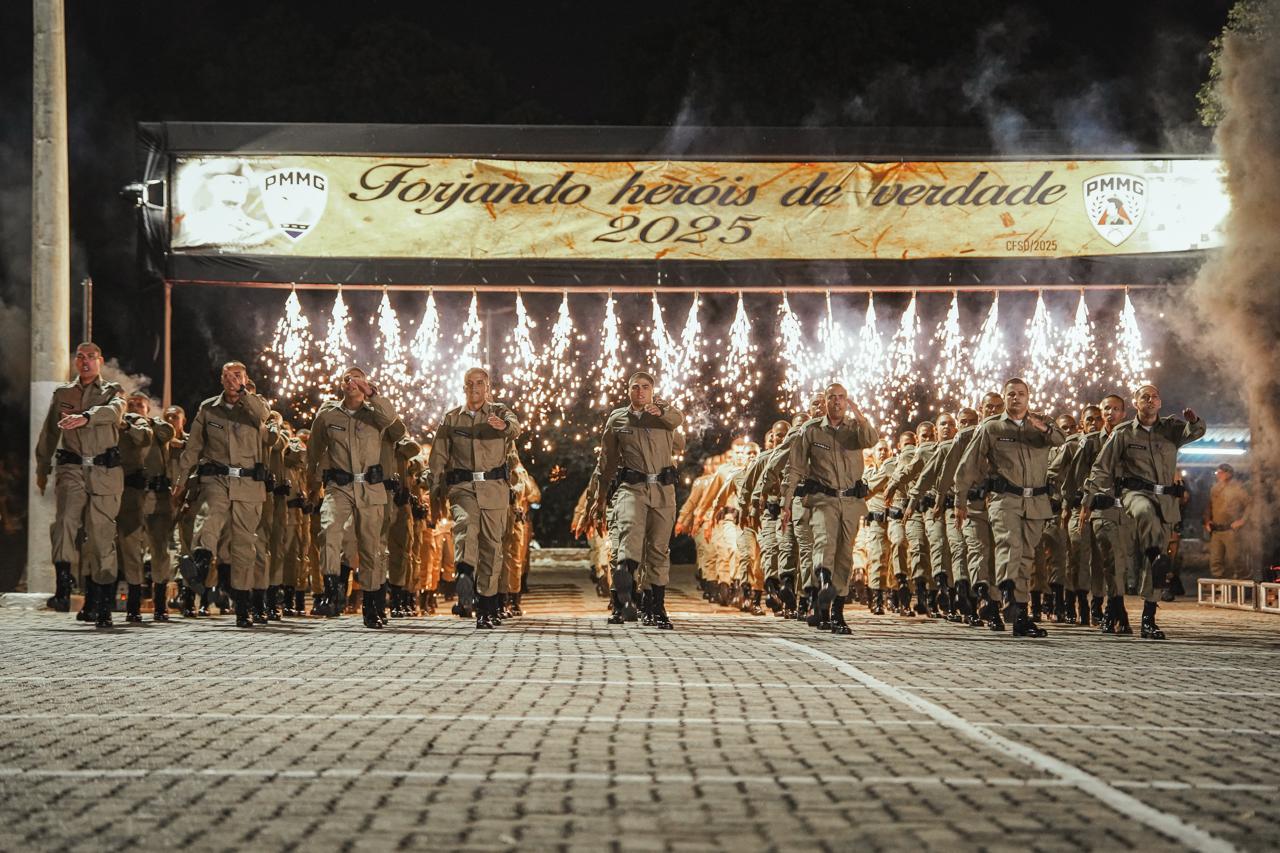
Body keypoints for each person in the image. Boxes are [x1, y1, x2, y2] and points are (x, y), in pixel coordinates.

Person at [1082, 384, 1205, 639]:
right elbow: (1102, 467)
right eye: (1144, 397)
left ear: (1159, 403)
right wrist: (1087, 498)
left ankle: (1149, 618)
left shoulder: (1171, 429)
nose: (1150, 400)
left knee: (1155, 568)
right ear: (1135, 404)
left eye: (1154, 397)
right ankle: (1153, 554)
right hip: (1135, 495)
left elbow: (1196, 432)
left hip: (1166, 501)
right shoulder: (1123, 433)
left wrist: (1194, 421)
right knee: (1144, 512)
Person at [955, 378, 1065, 639]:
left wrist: (1044, 427)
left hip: (1036, 501)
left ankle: (1020, 616)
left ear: (1029, 397)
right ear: (1005, 398)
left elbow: (1062, 441)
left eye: (1021, 394)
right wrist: (960, 500)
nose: (1016, 398)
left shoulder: (1041, 424)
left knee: (1026, 557)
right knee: (1009, 544)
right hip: (1005, 499)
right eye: (1011, 394)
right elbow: (968, 465)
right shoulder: (991, 428)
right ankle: (1006, 588)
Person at [34, 342, 126, 626]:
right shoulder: (63, 393)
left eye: (91, 357)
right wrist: (42, 466)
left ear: (100, 361)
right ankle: (63, 584)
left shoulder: (113, 392)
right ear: (76, 362)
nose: (85, 362)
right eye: (80, 357)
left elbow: (115, 412)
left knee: (100, 538)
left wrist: (85, 417)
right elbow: (50, 431)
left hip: (104, 473)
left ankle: (100, 601)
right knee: (64, 524)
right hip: (72, 468)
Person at [175, 361, 272, 628]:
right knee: (210, 515)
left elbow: (262, 416)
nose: (232, 379)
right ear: (220, 379)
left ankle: (243, 606)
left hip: (248, 484)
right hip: (216, 478)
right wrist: (181, 480)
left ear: (245, 378)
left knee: (243, 545)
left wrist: (244, 392)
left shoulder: (256, 404)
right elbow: (193, 448)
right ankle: (201, 563)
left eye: (237, 375)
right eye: (227, 376)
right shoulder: (208, 408)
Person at [428, 367, 522, 629]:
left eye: (479, 383)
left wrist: (503, 427)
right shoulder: (451, 419)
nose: (474, 388)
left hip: (494, 489)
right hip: (463, 488)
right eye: (469, 383)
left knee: (492, 548)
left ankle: (487, 606)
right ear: (463, 387)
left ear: (488, 387)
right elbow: (437, 459)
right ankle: (465, 572)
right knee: (465, 526)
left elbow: (516, 428)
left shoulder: (500, 412)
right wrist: (435, 493)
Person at [781, 383, 878, 635]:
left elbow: (872, 439)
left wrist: (859, 414)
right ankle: (824, 586)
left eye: (842, 398)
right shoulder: (811, 431)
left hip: (851, 502)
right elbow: (795, 468)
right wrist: (786, 503)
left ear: (847, 401)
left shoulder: (856, 429)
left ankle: (836, 613)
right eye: (832, 397)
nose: (837, 402)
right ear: (824, 402)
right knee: (824, 543)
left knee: (844, 555)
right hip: (823, 500)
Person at [308, 367, 401, 629]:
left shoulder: (375, 415)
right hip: (339, 486)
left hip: (370, 488)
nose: (351, 382)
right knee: (328, 530)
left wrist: (373, 394)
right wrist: (312, 485)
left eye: (357, 379)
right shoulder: (327, 413)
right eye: (347, 378)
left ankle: (373, 606)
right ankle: (332, 588)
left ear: (365, 384)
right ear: (341, 384)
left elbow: (393, 421)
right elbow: (313, 451)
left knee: (371, 549)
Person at [592, 371, 684, 630]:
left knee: (658, 548)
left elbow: (678, 419)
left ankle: (657, 606)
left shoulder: (665, 415)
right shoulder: (618, 418)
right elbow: (607, 462)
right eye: (635, 387)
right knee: (629, 532)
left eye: (645, 387)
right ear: (628, 391)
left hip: (663, 490)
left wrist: (661, 411)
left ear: (652, 390)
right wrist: (599, 498)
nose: (640, 392)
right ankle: (624, 575)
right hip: (632, 488)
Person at [117, 392, 177, 622]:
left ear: (147, 408)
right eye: (130, 404)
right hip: (131, 494)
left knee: (159, 550)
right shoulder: (120, 428)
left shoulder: (156, 426)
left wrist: (145, 422)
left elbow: (168, 432)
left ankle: (160, 602)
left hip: (156, 495)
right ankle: (133, 603)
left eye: (139, 405)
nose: (133, 407)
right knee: (131, 548)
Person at [1204, 463, 1250, 580]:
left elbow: (1250, 505)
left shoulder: (1237, 489)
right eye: (1217, 473)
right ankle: (1219, 587)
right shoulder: (1215, 489)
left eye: (1221, 473)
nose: (1218, 475)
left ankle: (1244, 581)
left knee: (1235, 558)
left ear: (1229, 474)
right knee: (1215, 560)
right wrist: (1207, 520)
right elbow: (1209, 506)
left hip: (1230, 530)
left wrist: (1242, 521)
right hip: (1216, 530)